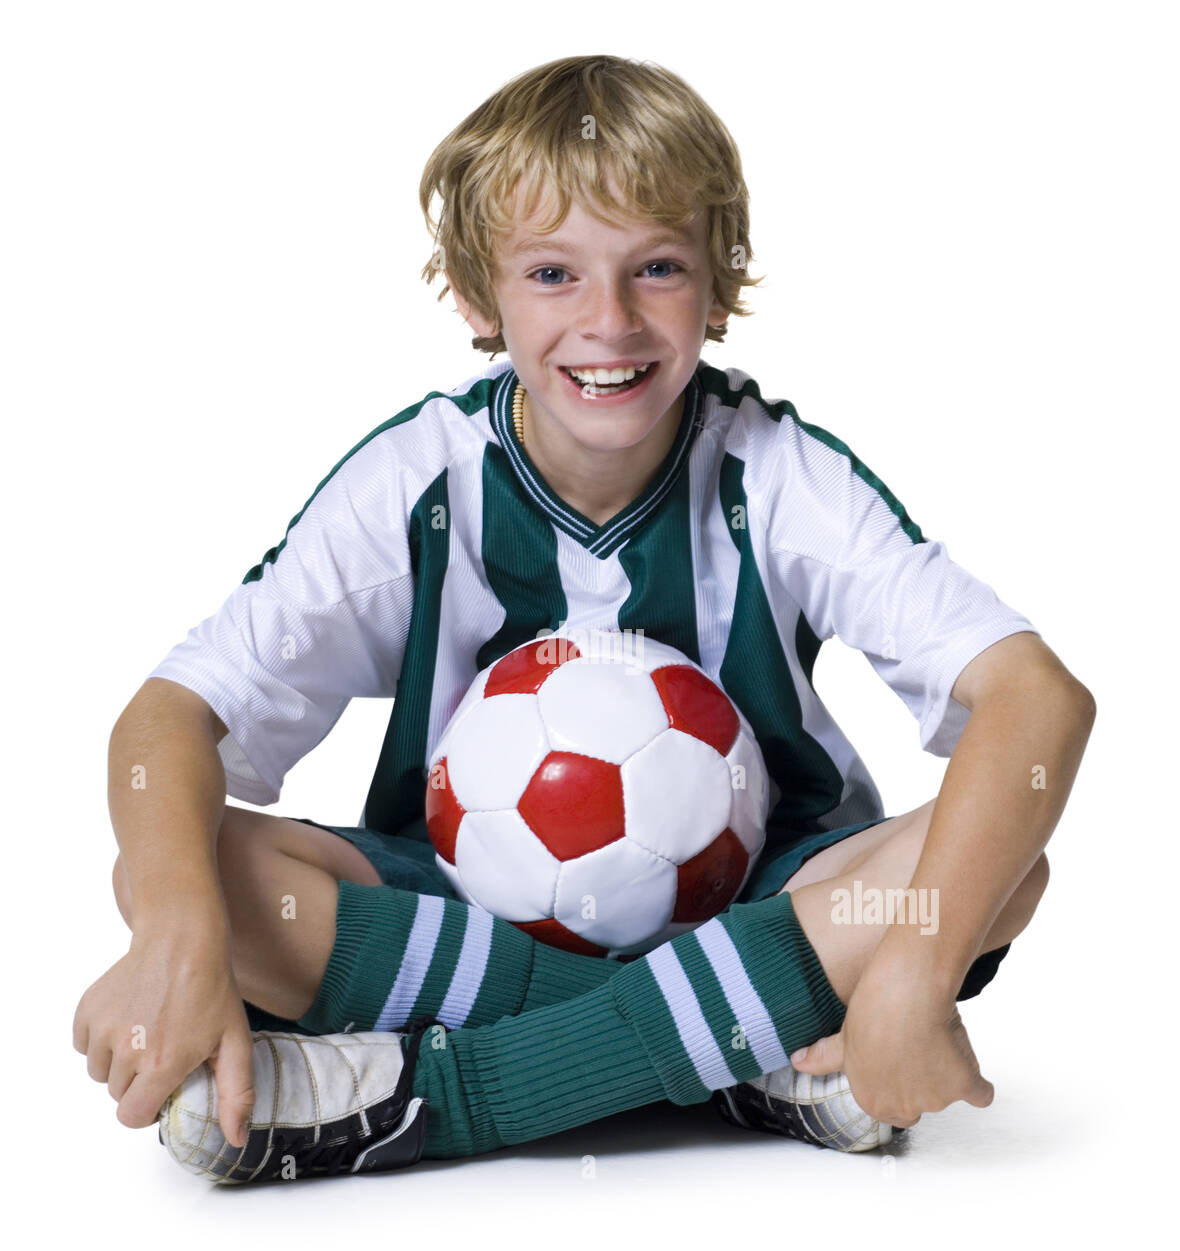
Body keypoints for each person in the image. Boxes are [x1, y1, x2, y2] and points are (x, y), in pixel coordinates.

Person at [74, 54, 1096, 1183]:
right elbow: (166, 722)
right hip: (470, 920)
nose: (608, 321)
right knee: (177, 869)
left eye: (656, 268)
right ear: (475, 293)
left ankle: (426, 1093)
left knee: (999, 870)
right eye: (553, 273)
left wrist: (916, 960)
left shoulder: (774, 474)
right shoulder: (420, 482)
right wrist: (178, 937)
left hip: (766, 904)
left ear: (719, 285)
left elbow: (1037, 700)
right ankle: (742, 1053)